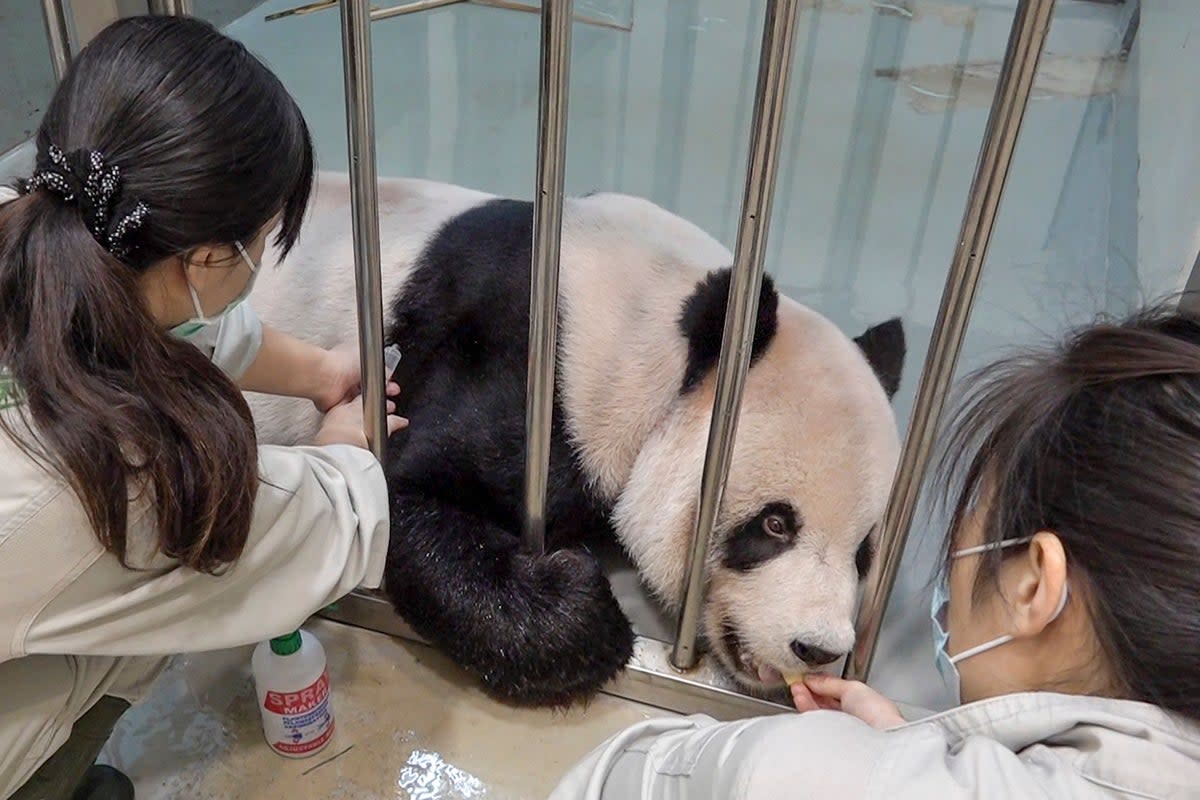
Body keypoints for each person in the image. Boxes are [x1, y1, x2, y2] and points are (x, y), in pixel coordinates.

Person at [550, 306, 1200, 799]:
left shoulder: (805, 776)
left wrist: (855, 759)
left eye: (961, 542)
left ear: (1034, 586)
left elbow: (616, 778)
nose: (840, 624)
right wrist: (916, 752)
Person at [0, 16, 405, 800]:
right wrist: (345, 443)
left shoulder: (44, 224)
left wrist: (322, 371)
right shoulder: (118, 475)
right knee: (135, 633)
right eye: (262, 239)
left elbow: (161, 321)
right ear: (209, 258)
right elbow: (327, 526)